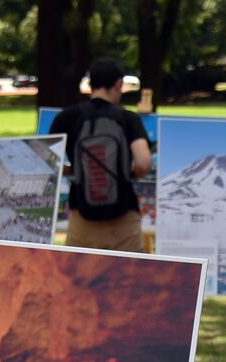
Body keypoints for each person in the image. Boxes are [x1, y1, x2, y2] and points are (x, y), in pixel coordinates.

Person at [47, 59, 151, 252]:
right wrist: (126, 173)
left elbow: (49, 164)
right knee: (129, 279)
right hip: (124, 217)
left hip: (82, 217)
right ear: (118, 84)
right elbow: (144, 163)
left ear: (90, 85)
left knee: (80, 279)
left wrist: (74, 170)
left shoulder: (66, 118)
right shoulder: (128, 119)